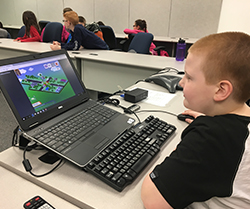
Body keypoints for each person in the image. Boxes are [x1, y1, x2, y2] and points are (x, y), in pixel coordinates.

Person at [141, 32, 250, 209]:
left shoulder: (211, 138)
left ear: (221, 90)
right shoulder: (237, 126)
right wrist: (210, 121)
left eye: (189, 77)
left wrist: (191, 141)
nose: (181, 83)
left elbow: (153, 201)